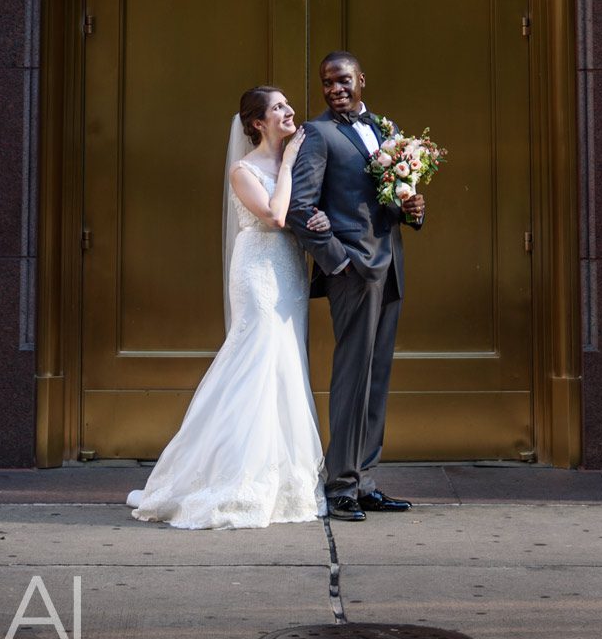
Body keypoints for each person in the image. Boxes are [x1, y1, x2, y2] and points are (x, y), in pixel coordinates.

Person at [125, 86, 331, 529]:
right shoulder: (245, 170)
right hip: (258, 270)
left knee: (284, 365)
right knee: (254, 361)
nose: (289, 110)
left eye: (287, 103)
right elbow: (274, 218)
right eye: (278, 107)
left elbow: (306, 212)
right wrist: (291, 166)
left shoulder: (295, 161)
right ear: (258, 123)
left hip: (290, 271)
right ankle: (228, 477)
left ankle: (284, 480)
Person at [287, 51, 425, 522]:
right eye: (327, 82)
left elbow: (389, 197)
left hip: (391, 268)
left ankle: (366, 481)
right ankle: (340, 485)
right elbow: (300, 208)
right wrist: (337, 262)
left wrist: (413, 209)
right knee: (351, 377)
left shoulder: (385, 131)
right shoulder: (317, 135)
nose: (334, 89)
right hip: (353, 271)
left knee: (378, 377)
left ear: (361, 80)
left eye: (342, 80)